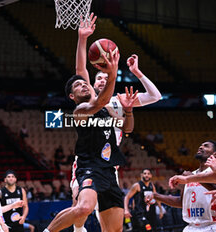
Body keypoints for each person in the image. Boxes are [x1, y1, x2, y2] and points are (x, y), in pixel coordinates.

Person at [70, 13, 162, 232]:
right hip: (87, 162)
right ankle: (77, 229)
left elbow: (155, 96)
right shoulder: (90, 99)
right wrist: (82, 39)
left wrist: (137, 73)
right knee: (79, 206)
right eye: (97, 78)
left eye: (105, 77)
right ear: (91, 84)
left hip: (109, 165)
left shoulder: (119, 101)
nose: (101, 79)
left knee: (111, 225)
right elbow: (79, 70)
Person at [43, 15, 125, 231]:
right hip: (89, 166)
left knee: (115, 228)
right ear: (72, 96)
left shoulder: (104, 105)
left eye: (85, 83)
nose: (83, 84)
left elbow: (81, 69)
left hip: (109, 169)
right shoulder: (81, 110)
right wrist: (113, 74)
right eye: (78, 86)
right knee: (83, 208)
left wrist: (82, 38)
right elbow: (100, 99)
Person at [147, 141, 216, 231]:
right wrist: (156, 196)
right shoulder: (189, 176)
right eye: (200, 145)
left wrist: (191, 178)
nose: (200, 147)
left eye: (206, 146)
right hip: (191, 227)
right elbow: (181, 202)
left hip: (211, 226)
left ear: (215, 154)